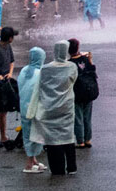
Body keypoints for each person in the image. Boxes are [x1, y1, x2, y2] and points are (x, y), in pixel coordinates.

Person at [30, 40, 80, 177]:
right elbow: (73, 81)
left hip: (49, 107)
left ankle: (56, 168)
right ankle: (71, 167)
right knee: (68, 137)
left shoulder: (45, 68)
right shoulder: (71, 67)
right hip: (66, 107)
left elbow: (41, 86)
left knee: (52, 139)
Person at [68, 37, 99, 148]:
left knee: (78, 118)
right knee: (87, 117)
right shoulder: (85, 59)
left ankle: (80, 141)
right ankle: (88, 140)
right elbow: (93, 72)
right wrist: (90, 60)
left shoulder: (69, 63)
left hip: (77, 93)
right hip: (89, 92)